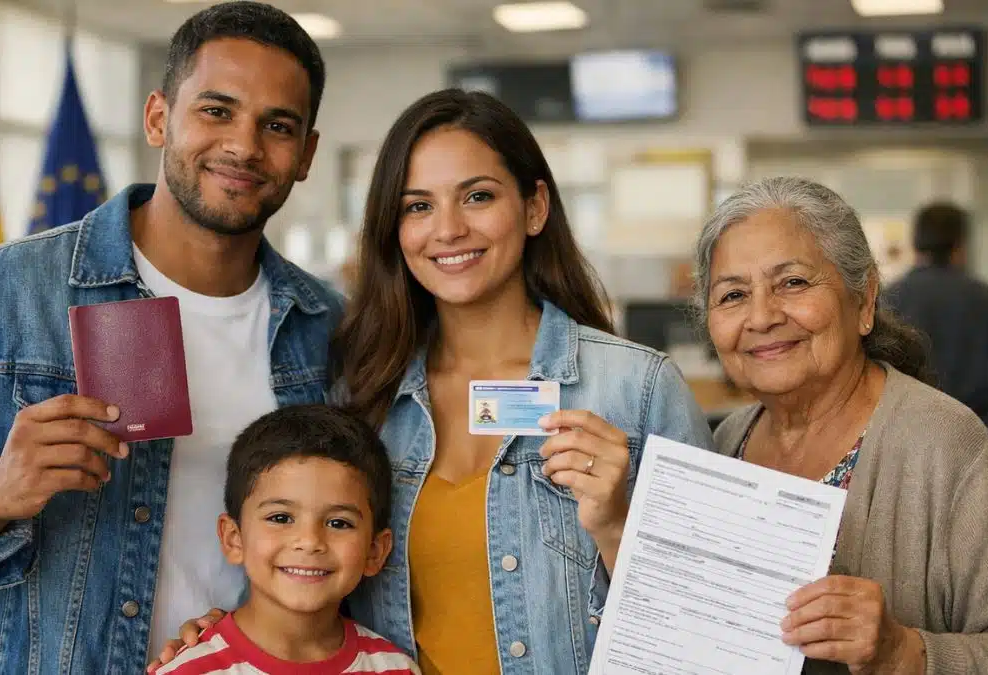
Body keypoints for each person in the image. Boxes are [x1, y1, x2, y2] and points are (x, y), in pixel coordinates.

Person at [0, 3, 341, 673]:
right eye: (216, 111)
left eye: (277, 126)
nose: (244, 147)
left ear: (306, 154)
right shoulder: (2, 292)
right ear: (159, 117)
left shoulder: (330, 327)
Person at [151, 88, 714, 674]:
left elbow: (718, 631)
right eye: (418, 206)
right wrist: (239, 636)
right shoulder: (363, 393)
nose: (447, 229)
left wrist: (618, 526)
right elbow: (310, 576)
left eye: (477, 196)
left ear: (534, 207)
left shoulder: (635, 389)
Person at [696, 176, 988, 673]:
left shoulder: (946, 445)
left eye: (792, 282)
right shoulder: (726, 444)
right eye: (732, 295)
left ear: (863, 302)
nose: (761, 316)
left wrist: (903, 653)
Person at [155, 404, 419, 675]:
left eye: (338, 523)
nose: (309, 540)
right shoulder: (186, 670)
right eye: (281, 518)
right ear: (234, 539)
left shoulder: (396, 669)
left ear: (375, 551)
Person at [883, 201, 988, 456]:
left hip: (911, 439)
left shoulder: (891, 297)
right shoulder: (986, 298)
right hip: (982, 439)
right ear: (960, 244)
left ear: (916, 242)